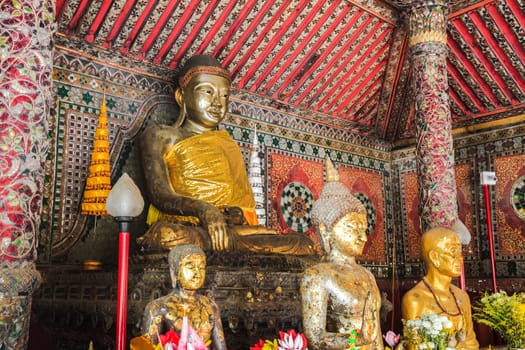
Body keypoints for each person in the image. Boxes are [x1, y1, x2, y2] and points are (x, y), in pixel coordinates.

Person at [138, 54, 314, 255]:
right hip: (190, 229)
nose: (217, 103)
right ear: (181, 96)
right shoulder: (161, 135)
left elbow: (241, 205)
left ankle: (226, 243)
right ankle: (225, 243)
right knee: (166, 236)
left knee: (303, 243)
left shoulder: (229, 144)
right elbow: (160, 195)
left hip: (232, 232)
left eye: (224, 95)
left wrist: (235, 214)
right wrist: (204, 210)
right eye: (207, 91)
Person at [300, 157, 383, 350]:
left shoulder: (367, 275)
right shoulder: (317, 276)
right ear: (324, 230)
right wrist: (357, 340)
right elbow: (316, 338)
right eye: (353, 227)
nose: (362, 236)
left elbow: (375, 332)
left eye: (364, 228)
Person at [401, 227, 479, 349]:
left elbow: (471, 342)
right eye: (453, 251)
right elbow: (415, 346)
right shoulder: (415, 299)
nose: (460, 258)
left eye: (460, 252)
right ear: (434, 257)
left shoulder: (462, 296)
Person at [137, 244, 227, 349]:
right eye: (190, 266)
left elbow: (221, 347)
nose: (197, 273)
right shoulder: (159, 307)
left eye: (201, 267)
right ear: (174, 270)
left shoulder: (211, 307)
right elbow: (146, 347)